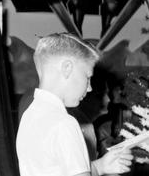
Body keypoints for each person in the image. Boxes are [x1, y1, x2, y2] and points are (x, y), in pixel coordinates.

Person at [16, 33, 133, 176]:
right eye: (87, 77)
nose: (89, 88)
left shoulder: (30, 116)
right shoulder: (64, 123)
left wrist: (101, 166)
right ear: (67, 68)